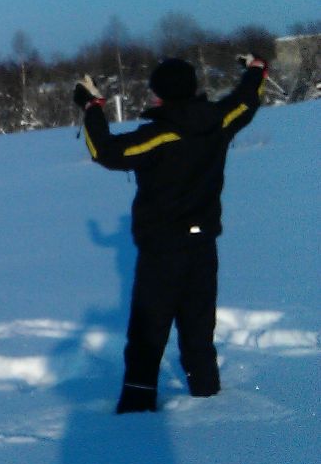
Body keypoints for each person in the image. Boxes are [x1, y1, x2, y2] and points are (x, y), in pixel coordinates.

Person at [73, 53, 268, 413]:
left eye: (153, 92)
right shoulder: (218, 120)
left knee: (148, 334)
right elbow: (246, 101)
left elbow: (106, 151)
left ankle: (136, 408)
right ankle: (207, 395)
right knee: (198, 331)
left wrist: (92, 107)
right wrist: (256, 69)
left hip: (163, 253)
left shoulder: (162, 134)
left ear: (161, 96)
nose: (150, 98)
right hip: (202, 246)